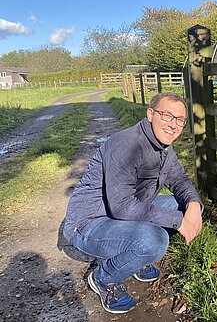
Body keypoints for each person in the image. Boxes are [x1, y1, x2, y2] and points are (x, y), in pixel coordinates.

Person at [63, 92, 203, 314]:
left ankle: (134, 257)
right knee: (155, 240)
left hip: (122, 213)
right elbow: (123, 207)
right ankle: (103, 278)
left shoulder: (164, 146)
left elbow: (179, 180)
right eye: (167, 115)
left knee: (186, 207)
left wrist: (194, 206)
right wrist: (178, 222)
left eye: (179, 119)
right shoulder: (127, 145)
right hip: (91, 222)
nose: (173, 124)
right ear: (150, 114)